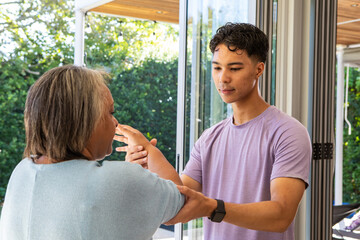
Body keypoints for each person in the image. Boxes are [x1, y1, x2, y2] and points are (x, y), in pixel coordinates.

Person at [124, 23, 311, 240]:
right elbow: (180, 202)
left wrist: (213, 207)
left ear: (258, 69)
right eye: (217, 67)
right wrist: (149, 161)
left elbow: (281, 216)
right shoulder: (209, 138)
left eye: (234, 68)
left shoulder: (288, 133)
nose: (223, 78)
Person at [0, 65, 184, 240]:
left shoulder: (22, 171)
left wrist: (134, 177)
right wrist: (149, 151)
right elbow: (183, 201)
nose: (115, 122)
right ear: (85, 120)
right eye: (111, 112)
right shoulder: (118, 180)